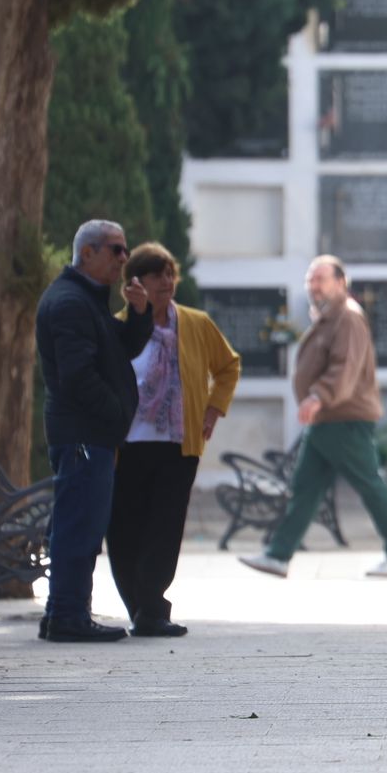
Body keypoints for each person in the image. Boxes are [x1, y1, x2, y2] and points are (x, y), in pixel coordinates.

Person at [239, 255, 387, 579]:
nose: (314, 286)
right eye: (310, 279)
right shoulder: (328, 318)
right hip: (327, 419)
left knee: (369, 483)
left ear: (341, 283)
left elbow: (344, 366)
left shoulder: (347, 317)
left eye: (321, 279)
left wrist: (319, 396)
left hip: (343, 418)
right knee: (305, 488)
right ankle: (278, 554)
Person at [106, 243, 241, 637]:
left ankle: (152, 608)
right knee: (125, 527)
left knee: (164, 528)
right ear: (135, 284)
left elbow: (228, 366)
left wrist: (214, 408)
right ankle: (138, 605)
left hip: (178, 445)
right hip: (128, 445)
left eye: (169, 274)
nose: (165, 282)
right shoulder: (120, 325)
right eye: (155, 275)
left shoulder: (196, 324)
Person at [35, 220, 152, 642]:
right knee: (78, 525)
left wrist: (140, 315)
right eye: (115, 250)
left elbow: (119, 346)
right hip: (84, 435)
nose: (124, 258)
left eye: (125, 249)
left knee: (82, 522)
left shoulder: (86, 300)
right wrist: (117, 413)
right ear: (87, 253)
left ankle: (63, 614)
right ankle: (67, 616)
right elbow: (77, 377)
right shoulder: (70, 302)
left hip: (90, 434)